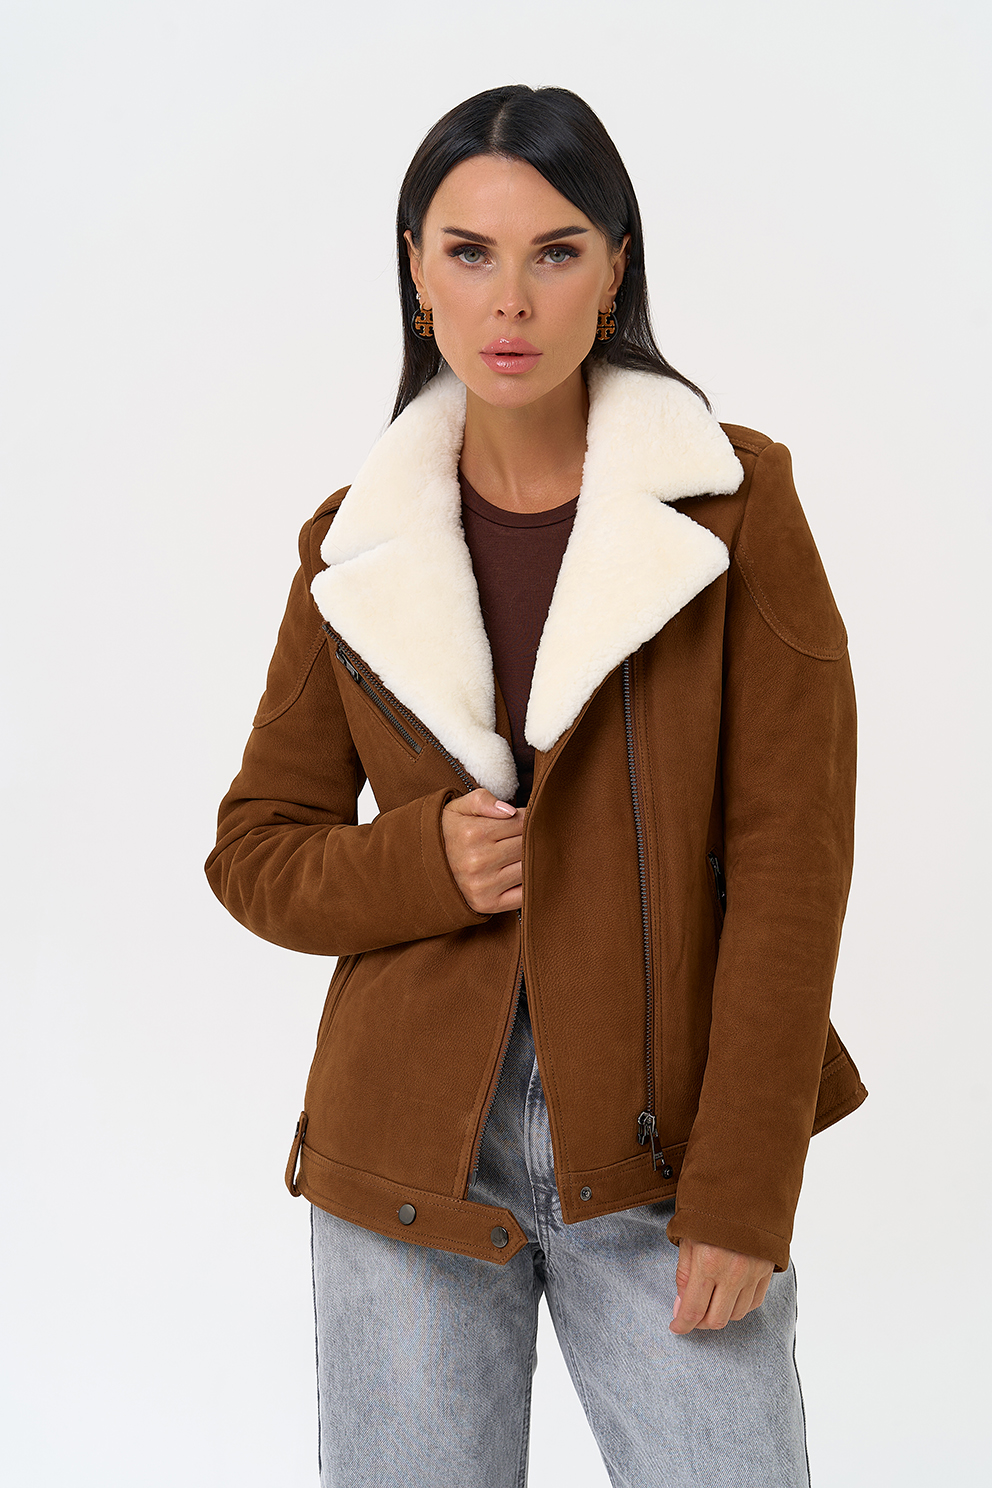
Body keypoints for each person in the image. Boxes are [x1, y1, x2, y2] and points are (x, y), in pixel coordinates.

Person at [206, 84, 867, 1488]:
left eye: (556, 252)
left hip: (668, 1151)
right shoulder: (355, 543)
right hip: (405, 1165)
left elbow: (792, 864)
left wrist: (747, 1187)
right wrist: (422, 864)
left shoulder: (735, 506)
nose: (510, 300)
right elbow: (256, 849)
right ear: (416, 270)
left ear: (615, 270)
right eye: (470, 252)